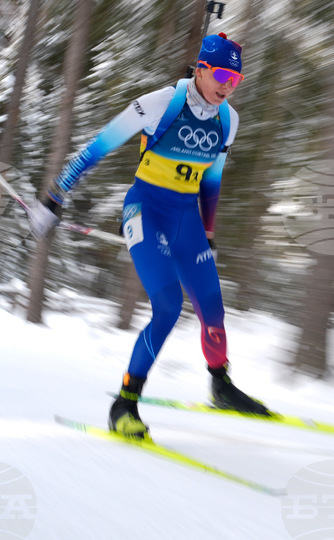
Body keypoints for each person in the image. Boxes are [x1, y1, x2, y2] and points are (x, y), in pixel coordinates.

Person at [28, 33, 268, 439]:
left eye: (237, 79)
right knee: (168, 305)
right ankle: (125, 403)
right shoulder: (161, 103)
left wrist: (207, 232)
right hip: (145, 211)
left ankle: (221, 385)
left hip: (186, 219)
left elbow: (212, 180)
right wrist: (53, 198)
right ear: (203, 69)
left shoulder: (229, 120)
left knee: (212, 303)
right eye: (223, 75)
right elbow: (98, 147)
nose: (228, 86)